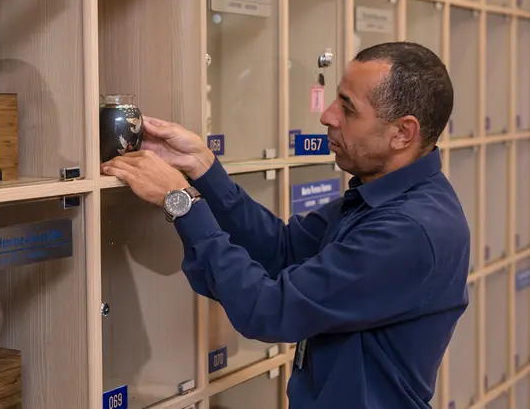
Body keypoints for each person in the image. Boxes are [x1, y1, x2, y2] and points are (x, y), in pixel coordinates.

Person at [101, 41, 470, 409]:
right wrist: (203, 169)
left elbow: (271, 310)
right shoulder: (381, 198)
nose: (327, 116)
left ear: (403, 133)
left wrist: (181, 201)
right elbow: (282, 250)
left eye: (348, 107)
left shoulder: (408, 230)